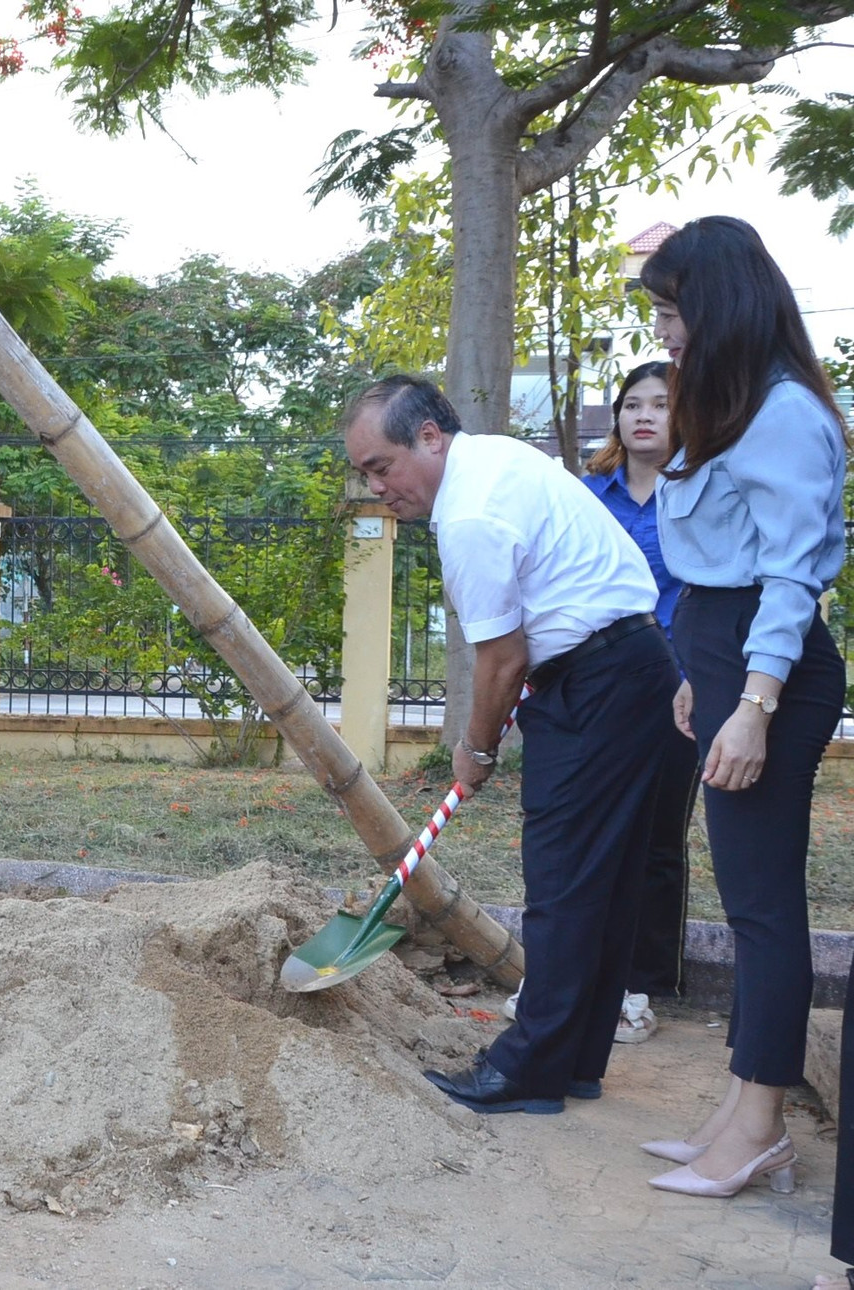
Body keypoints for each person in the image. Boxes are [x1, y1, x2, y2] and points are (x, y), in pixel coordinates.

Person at [343, 374, 679, 1116]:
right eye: (365, 473)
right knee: (605, 880)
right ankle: (574, 1060)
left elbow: (502, 659)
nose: (376, 488)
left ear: (429, 437)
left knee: (562, 881)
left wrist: (477, 748)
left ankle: (527, 1070)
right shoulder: (497, 458)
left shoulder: (470, 515)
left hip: (597, 682)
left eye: (381, 467)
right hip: (628, 668)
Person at [632, 216, 847, 1202]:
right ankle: (734, 1111)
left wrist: (752, 705)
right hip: (723, 654)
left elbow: (790, 580)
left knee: (764, 915)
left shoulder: (786, 413)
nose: (665, 330)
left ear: (718, 305)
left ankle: (759, 1129)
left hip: (775, 668)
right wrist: (696, 676)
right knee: (750, 904)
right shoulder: (725, 402)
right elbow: (716, 566)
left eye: (674, 311)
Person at [580, 361, 700, 1044]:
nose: (644, 415)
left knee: (657, 842)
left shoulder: (702, 491)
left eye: (660, 403)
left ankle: (642, 985)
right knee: (594, 835)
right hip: (602, 689)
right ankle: (584, 971)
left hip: (681, 689)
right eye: (632, 404)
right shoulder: (592, 496)